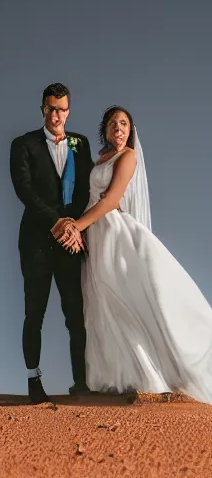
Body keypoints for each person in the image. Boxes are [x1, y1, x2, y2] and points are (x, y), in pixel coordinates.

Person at [55, 105, 212, 403]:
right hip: (95, 236)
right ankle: (117, 377)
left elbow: (113, 199)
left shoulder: (128, 156)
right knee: (101, 303)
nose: (118, 128)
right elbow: (89, 196)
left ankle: (147, 377)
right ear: (105, 129)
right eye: (113, 123)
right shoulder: (101, 158)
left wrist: (78, 226)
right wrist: (84, 230)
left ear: (131, 130)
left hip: (114, 233)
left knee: (124, 299)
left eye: (124, 123)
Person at [9, 83, 94, 404]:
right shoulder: (23, 144)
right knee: (35, 312)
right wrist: (55, 221)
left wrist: (73, 227)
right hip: (36, 241)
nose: (56, 114)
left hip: (72, 240)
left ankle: (80, 383)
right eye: (50, 108)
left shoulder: (79, 144)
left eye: (61, 109)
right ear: (42, 109)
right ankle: (34, 381)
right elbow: (23, 189)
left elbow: (85, 188)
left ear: (69, 111)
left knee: (76, 312)